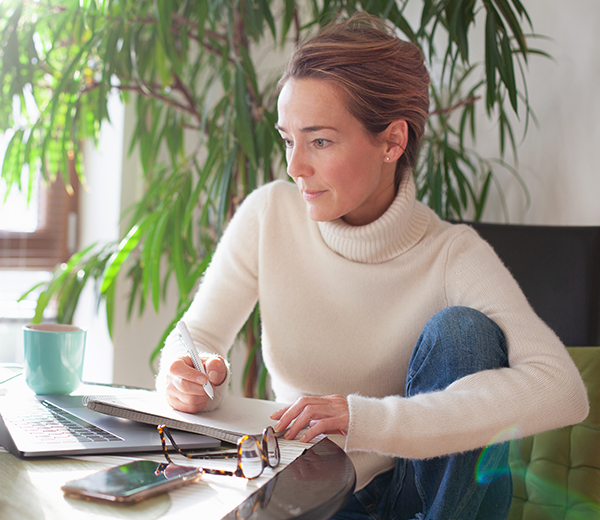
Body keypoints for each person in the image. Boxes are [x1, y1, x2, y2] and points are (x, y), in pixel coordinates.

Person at [154, 13, 589, 520]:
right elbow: (195, 336)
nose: (295, 166)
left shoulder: (453, 254)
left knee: (464, 333)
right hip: (312, 488)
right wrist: (188, 375)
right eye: (288, 139)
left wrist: (365, 419)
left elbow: (561, 389)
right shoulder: (269, 214)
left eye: (319, 141)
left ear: (392, 142)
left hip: (420, 496)